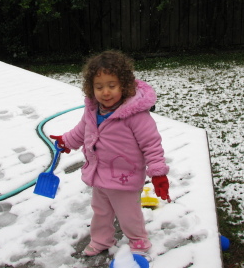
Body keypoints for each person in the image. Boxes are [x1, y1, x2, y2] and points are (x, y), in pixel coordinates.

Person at [50, 50, 170, 256]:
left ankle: (138, 240)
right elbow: (82, 130)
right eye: (99, 87)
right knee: (101, 212)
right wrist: (67, 141)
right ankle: (101, 240)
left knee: (128, 214)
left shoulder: (135, 116)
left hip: (126, 177)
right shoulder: (92, 110)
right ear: (91, 88)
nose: (106, 92)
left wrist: (158, 173)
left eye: (111, 86)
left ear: (124, 84)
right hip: (99, 174)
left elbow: (152, 144)